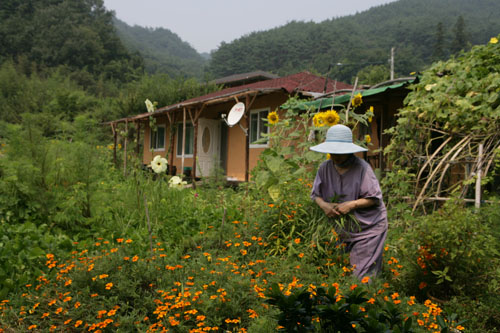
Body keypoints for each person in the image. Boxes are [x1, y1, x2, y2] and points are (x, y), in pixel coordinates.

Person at [310, 124, 388, 279]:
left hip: (368, 227)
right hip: (343, 229)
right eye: (332, 152)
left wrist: (351, 204)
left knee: (362, 276)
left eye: (340, 152)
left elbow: (374, 199)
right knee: (339, 272)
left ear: (349, 151)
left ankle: (369, 300)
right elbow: (315, 195)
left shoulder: (362, 168)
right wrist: (324, 205)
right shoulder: (325, 168)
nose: (335, 156)